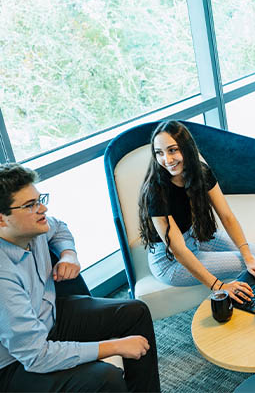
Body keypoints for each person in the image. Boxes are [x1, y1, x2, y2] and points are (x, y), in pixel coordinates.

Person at [0, 163, 160, 392]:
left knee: (136, 312)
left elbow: (60, 228)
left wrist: (69, 255)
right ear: (1, 219)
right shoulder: (3, 278)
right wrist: (114, 346)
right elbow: (36, 355)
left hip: (49, 317)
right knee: (106, 378)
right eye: (30, 205)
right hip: (15, 362)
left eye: (40, 199)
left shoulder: (31, 229)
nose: (42, 209)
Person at [138, 120, 255, 305]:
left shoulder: (201, 173)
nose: (167, 160)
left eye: (172, 150)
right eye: (159, 153)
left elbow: (227, 216)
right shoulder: (155, 192)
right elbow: (179, 250)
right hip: (170, 262)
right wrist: (219, 286)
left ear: (187, 148)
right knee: (251, 267)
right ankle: (252, 311)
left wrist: (249, 257)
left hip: (197, 238)